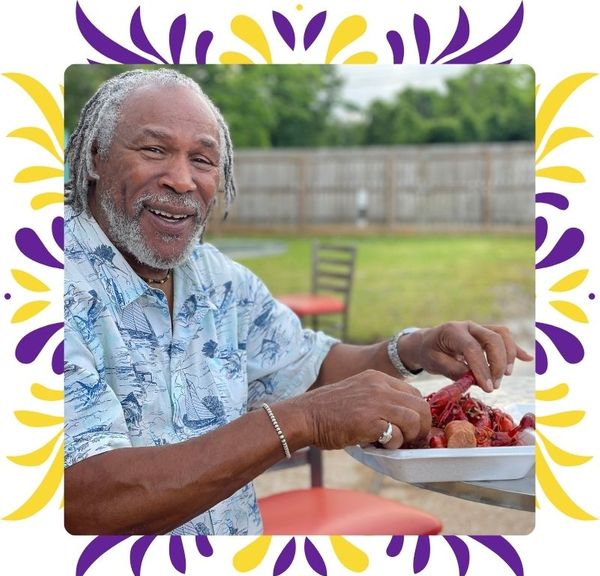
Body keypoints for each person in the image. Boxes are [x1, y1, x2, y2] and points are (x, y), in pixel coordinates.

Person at [64, 68, 533, 535]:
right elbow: (79, 497)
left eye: (204, 160)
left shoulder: (217, 279)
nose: (182, 180)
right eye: (154, 149)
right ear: (94, 158)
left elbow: (310, 365)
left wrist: (412, 350)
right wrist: (300, 422)